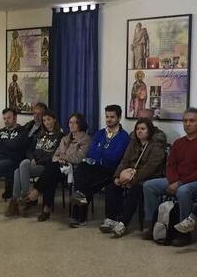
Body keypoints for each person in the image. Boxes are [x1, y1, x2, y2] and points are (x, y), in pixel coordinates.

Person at [100, 118, 166, 237]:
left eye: (143, 129)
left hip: (148, 178)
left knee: (135, 189)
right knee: (111, 187)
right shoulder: (133, 143)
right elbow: (124, 161)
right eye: (137, 129)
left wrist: (132, 179)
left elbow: (151, 167)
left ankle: (123, 223)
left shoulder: (157, 145)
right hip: (128, 176)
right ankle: (111, 219)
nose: (139, 131)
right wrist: (117, 177)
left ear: (149, 131)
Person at [143, 108, 197, 246]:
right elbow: (170, 165)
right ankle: (154, 225)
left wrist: (180, 183)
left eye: (192, 121)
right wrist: (173, 181)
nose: (188, 124)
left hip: (192, 181)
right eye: (185, 121)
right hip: (176, 179)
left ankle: (184, 234)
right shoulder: (179, 142)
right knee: (149, 186)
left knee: (183, 191)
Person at [70, 105, 130, 227]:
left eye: (112, 117)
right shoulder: (100, 133)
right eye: (107, 116)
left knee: (83, 185)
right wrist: (102, 153)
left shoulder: (124, 136)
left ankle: (79, 216)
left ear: (119, 118)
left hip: (111, 169)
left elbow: (115, 156)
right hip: (95, 167)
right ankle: (80, 198)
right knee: (82, 167)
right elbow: (91, 152)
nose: (109, 119)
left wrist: (100, 152)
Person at [25, 113, 91, 221]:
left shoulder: (85, 139)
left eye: (75, 122)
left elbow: (79, 157)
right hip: (59, 168)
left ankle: (37, 193)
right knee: (51, 173)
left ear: (81, 124)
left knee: (51, 170)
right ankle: (45, 207)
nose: (72, 125)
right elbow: (55, 155)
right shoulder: (65, 138)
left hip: (74, 170)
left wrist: (63, 157)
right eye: (70, 122)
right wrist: (60, 158)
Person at [5, 109, 62, 217]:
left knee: (22, 166)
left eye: (48, 120)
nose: (46, 123)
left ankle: (22, 199)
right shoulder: (40, 134)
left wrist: (38, 161)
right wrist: (32, 159)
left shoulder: (60, 136)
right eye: (44, 120)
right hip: (34, 163)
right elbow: (29, 150)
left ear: (54, 120)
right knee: (19, 169)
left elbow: (55, 155)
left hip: (46, 167)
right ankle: (20, 200)